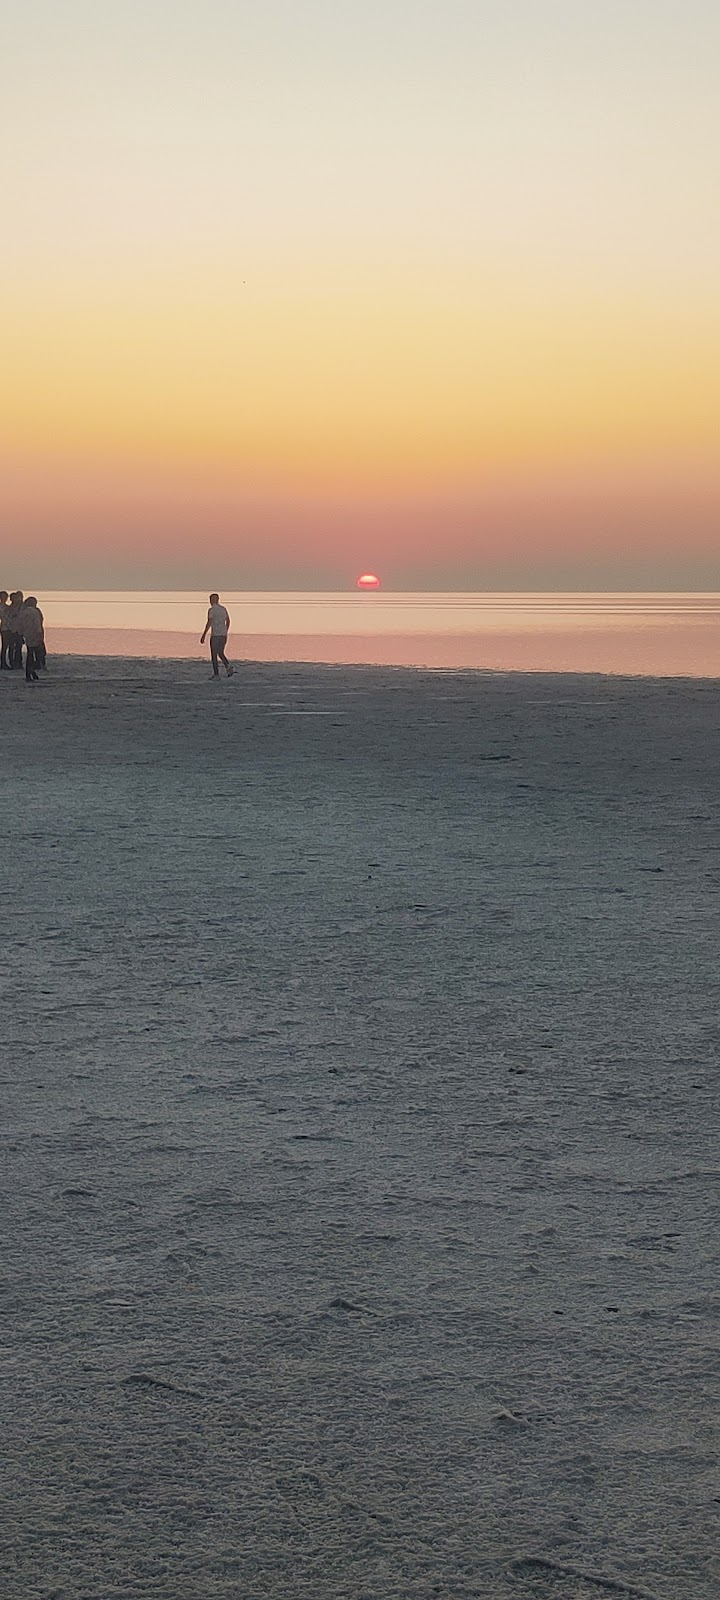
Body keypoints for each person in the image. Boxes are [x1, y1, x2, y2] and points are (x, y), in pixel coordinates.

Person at [201, 593, 234, 678]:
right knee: (221, 652)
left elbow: (209, 622)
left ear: (213, 600)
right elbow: (228, 621)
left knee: (214, 654)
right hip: (223, 634)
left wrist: (204, 634)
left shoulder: (211, 610)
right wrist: (225, 630)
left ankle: (216, 674)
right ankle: (228, 666)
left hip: (215, 634)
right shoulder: (223, 609)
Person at [21, 597, 45, 682]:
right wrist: (40, 634)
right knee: (38, 655)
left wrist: (21, 634)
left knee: (30, 655)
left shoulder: (23, 612)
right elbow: (37, 624)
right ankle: (31, 671)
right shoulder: (35, 612)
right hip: (35, 635)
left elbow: (21, 625)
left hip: (28, 635)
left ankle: (30, 673)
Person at [6, 592, 24, 670]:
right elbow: (8, 617)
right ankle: (12, 663)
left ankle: (18, 662)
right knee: (12, 647)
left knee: (19, 647)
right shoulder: (10, 608)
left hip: (19, 630)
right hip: (12, 629)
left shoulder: (23, 607)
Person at [0, 592, 9, 669]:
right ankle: (3, 663)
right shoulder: (2, 607)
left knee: (7, 645)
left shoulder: (8, 607)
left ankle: (4, 663)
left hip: (9, 628)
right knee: (4, 646)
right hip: (4, 628)